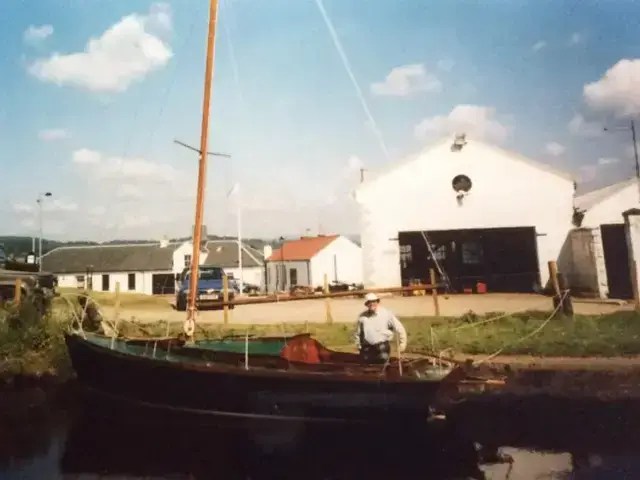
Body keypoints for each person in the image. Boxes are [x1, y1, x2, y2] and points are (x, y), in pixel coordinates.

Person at [354, 293, 407, 364]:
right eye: (369, 302)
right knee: (366, 366)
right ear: (366, 304)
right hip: (367, 347)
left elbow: (400, 328)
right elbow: (358, 333)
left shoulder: (386, 313)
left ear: (377, 302)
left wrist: (402, 344)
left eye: (374, 301)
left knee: (382, 363)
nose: (372, 304)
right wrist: (359, 346)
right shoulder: (362, 317)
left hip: (382, 346)